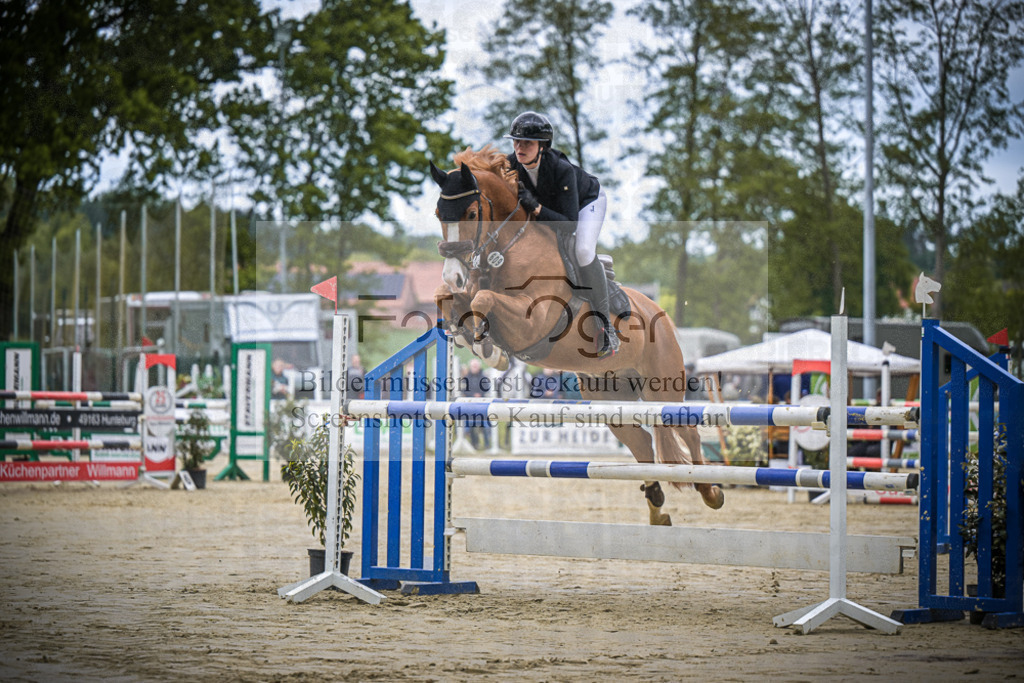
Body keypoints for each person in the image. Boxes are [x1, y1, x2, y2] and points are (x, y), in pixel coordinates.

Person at [504, 111, 619, 358]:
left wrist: (535, 207)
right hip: (554, 211)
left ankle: (606, 326)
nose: (519, 147)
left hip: (585, 204)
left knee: (583, 250)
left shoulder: (561, 169)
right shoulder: (511, 165)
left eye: (527, 143)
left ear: (542, 147)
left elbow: (568, 224)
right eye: (516, 141)